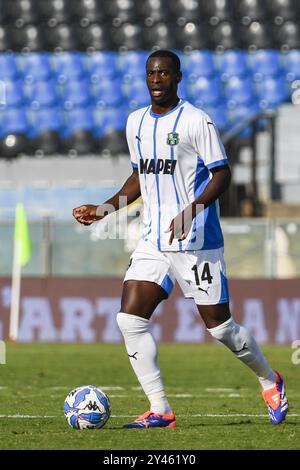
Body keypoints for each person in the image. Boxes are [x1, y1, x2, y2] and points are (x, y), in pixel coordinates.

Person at [72, 50, 288, 428]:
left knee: (221, 328)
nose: (157, 80)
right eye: (151, 73)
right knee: (129, 319)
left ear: (177, 77)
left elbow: (222, 175)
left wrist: (193, 209)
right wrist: (106, 209)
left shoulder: (196, 121)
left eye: (164, 73)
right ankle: (161, 410)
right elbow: (140, 176)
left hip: (196, 242)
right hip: (153, 240)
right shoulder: (135, 122)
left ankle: (270, 380)